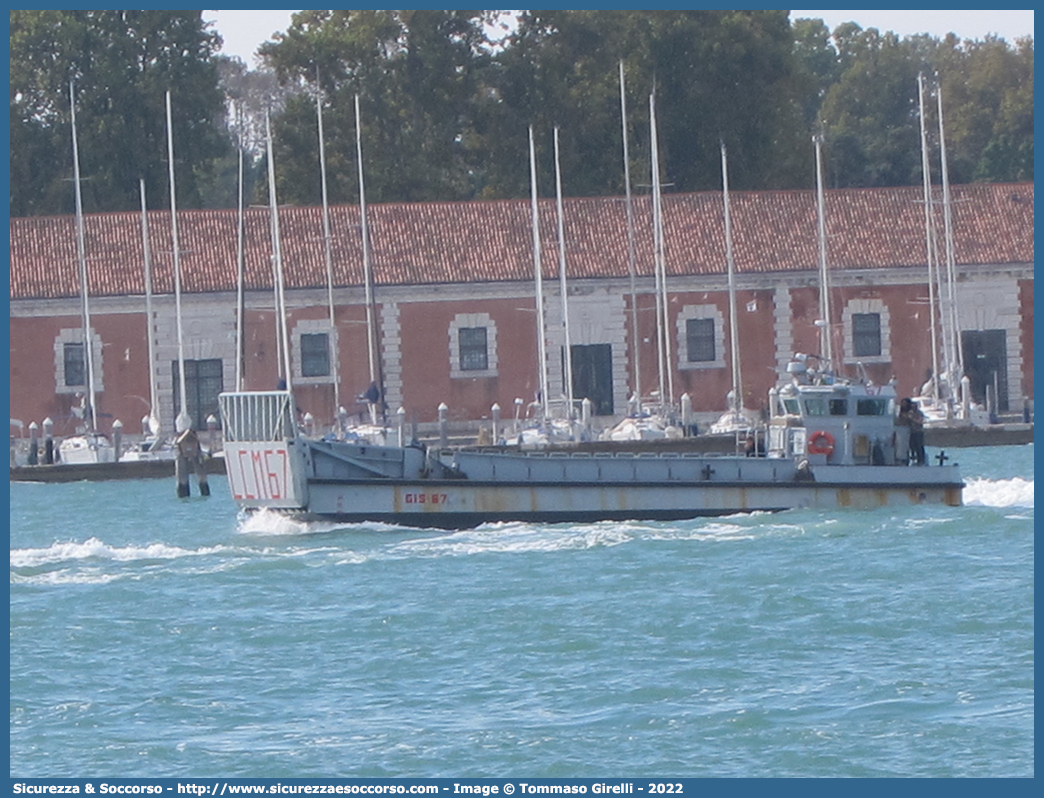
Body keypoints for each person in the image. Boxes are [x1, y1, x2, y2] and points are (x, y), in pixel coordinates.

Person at [898, 397, 926, 465]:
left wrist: (912, 418)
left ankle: (921, 460)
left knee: (919, 446)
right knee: (910, 446)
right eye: (912, 406)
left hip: (918, 432)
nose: (913, 408)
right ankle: (909, 459)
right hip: (910, 432)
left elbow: (920, 421)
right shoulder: (908, 413)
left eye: (915, 406)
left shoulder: (919, 413)